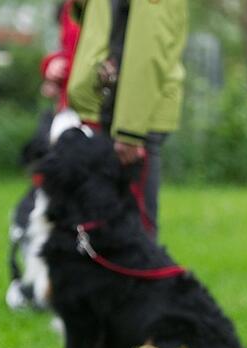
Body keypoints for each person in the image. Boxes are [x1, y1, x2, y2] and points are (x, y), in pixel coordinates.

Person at [66, 0, 189, 234]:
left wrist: (130, 131)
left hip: (130, 120)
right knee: (104, 230)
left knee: (133, 235)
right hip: (111, 111)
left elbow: (149, 48)